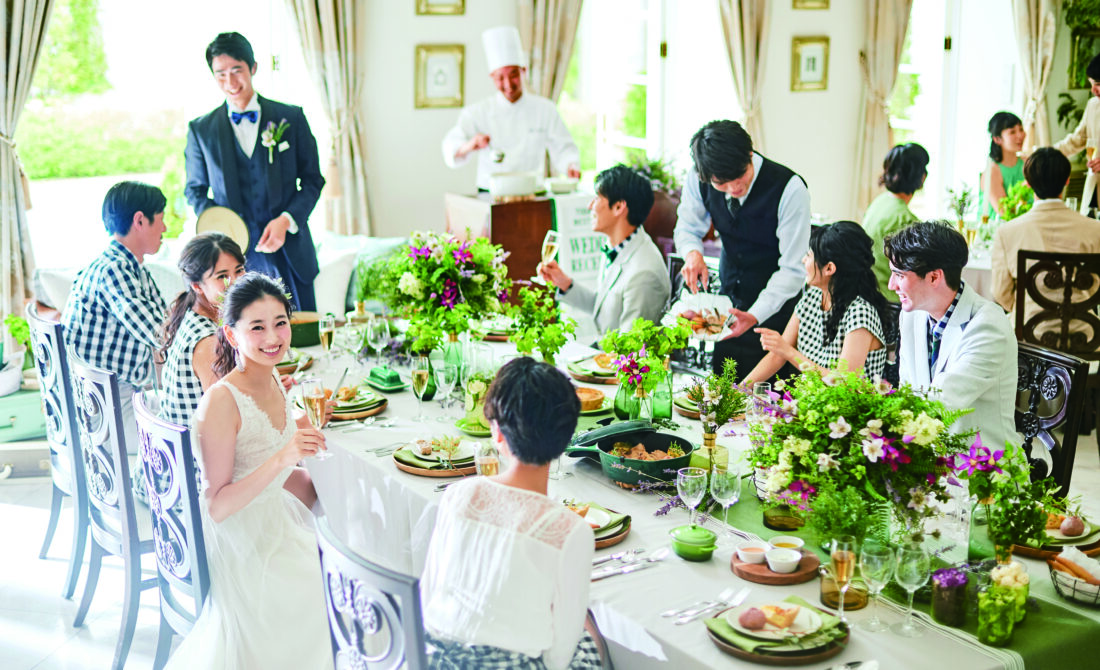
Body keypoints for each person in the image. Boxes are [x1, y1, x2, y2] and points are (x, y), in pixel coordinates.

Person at [164, 272, 332, 669]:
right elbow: (217, 507)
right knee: (329, 588)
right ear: (232, 334)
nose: (273, 337)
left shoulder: (271, 376)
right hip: (244, 541)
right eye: (257, 327)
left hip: (275, 517)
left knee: (354, 542)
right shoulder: (221, 401)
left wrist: (309, 437)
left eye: (280, 323)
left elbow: (277, 440)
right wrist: (283, 457)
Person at [420, 357, 602, 669]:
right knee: (592, 631)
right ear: (566, 438)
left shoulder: (458, 494)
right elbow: (558, 657)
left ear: (499, 434)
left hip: (435, 660)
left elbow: (429, 595)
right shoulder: (571, 531)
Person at [184, 31, 324, 312]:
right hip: (233, 263)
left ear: (253, 68)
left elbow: (312, 180)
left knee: (304, 341)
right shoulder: (201, 130)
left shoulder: (291, 118)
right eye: (220, 74)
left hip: (290, 254)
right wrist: (224, 228)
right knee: (245, 343)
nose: (230, 82)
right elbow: (195, 190)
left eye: (236, 71)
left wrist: (286, 220)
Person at [673, 119, 811, 378]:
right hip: (726, 309)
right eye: (721, 184)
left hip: (775, 318)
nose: (734, 188)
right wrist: (692, 253)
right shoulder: (698, 176)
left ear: (750, 154)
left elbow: (793, 269)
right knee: (722, 397)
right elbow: (687, 228)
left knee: (767, 404)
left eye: (740, 176)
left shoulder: (790, 189)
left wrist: (754, 314)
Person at [62, 181, 167, 494]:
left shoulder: (129, 266)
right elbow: (161, 335)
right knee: (202, 427)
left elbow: (165, 326)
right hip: (104, 415)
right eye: (160, 217)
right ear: (139, 220)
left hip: (110, 400)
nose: (165, 226)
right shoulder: (115, 270)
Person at [885, 221, 1019, 450]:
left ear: (935, 277)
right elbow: (908, 391)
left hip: (979, 469)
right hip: (928, 458)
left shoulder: (988, 326)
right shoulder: (912, 315)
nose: (891, 285)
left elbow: (941, 403)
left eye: (899, 274)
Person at [745, 221, 890, 383]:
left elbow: (844, 382)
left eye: (809, 255)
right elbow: (777, 357)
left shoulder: (860, 312)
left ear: (829, 268)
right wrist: (740, 389)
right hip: (812, 404)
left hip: (851, 407)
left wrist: (788, 351)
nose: (803, 260)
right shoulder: (812, 296)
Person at [441, 26, 580, 191]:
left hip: (532, 192)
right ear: (491, 77)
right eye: (500, 77)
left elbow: (563, 147)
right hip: (490, 194)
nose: (508, 84)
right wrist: (471, 144)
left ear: (523, 71)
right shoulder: (477, 113)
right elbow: (451, 149)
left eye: (513, 75)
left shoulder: (545, 109)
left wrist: (571, 166)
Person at [538, 164, 669, 337]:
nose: (589, 206)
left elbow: (630, 352)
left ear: (618, 207)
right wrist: (564, 283)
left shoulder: (644, 274)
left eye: (597, 198)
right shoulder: (618, 245)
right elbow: (604, 309)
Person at [990, 148, 1100, 330]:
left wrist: (1026, 309)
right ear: (1067, 180)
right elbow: (1095, 286)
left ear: (1028, 183)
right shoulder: (1095, 229)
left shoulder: (1007, 232)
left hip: (1029, 335)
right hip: (1083, 335)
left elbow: (1000, 292)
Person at [159, 232, 246, 429]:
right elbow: (229, 419)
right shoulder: (208, 341)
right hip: (196, 455)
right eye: (222, 276)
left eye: (239, 270)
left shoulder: (192, 314)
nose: (235, 281)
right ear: (197, 286)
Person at [861, 143, 929, 301]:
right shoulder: (906, 220)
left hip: (868, 289)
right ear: (921, 176)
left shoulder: (880, 201)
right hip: (889, 298)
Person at [1055, 53, 1100, 214]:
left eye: (1098, 84)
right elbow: (1076, 140)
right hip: (1093, 190)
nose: (1093, 90)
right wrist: (1047, 153)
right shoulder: (1093, 106)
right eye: (1091, 84)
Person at [979, 111, 1027, 220]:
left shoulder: (1027, 163)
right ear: (997, 139)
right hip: (995, 232)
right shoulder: (992, 171)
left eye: (1021, 130)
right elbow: (1005, 213)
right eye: (1012, 132)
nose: (1020, 135)